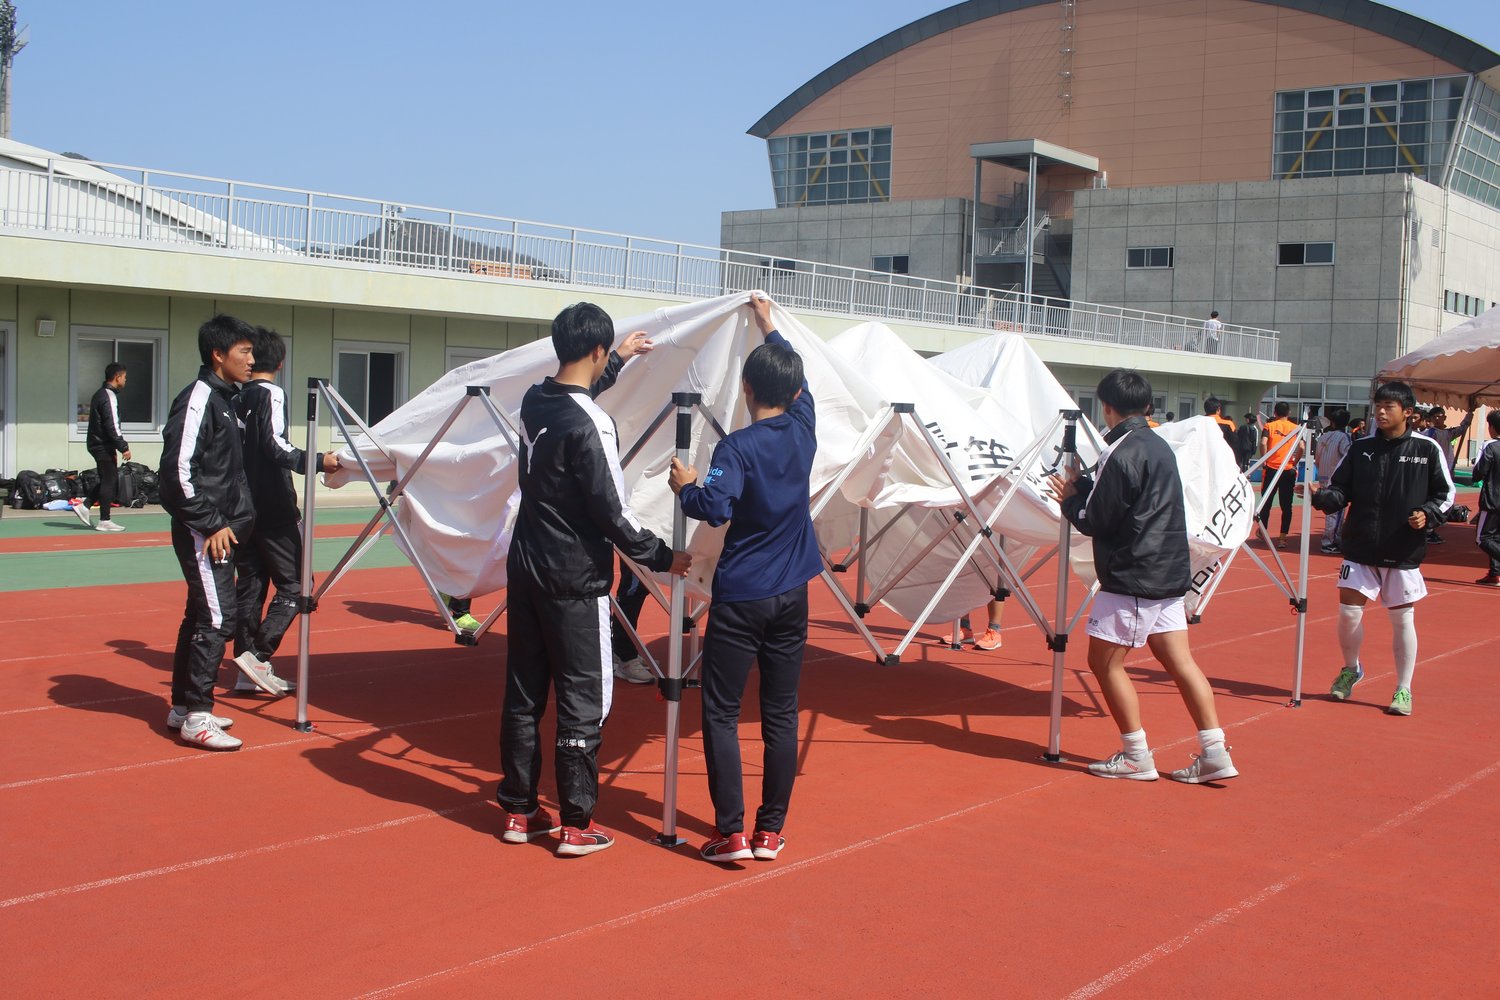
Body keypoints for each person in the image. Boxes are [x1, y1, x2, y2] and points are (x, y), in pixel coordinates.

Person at [498, 303, 689, 857]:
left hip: (527, 566)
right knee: (586, 698)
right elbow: (612, 509)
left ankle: (519, 809)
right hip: (574, 579)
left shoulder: (536, 399)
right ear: (597, 349)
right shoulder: (593, 423)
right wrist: (662, 556)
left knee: (525, 692)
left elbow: (572, 395)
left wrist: (619, 360)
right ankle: (576, 823)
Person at [670, 293, 820, 862]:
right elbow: (795, 379)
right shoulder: (804, 429)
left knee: (721, 712)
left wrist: (685, 485)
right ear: (797, 395)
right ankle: (769, 830)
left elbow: (715, 507)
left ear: (747, 392)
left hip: (741, 597)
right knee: (781, 713)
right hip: (792, 594)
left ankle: (730, 831)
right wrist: (770, 326)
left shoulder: (736, 447)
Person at [1050, 369, 1237, 784]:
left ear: (1107, 408)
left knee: (1103, 662)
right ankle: (1214, 750)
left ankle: (1136, 754)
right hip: (1168, 570)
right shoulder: (1158, 445)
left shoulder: (1122, 452)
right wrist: (1085, 490)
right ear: (1148, 407)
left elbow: (1096, 519)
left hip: (1134, 574)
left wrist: (1070, 499)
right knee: (1180, 662)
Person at [1309, 381, 1454, 716]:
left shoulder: (1426, 449)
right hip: (1360, 545)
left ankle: (1403, 689)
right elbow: (1341, 490)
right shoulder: (1361, 449)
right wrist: (1322, 496)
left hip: (1401, 548)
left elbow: (1445, 494)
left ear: (1409, 413)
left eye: (1389, 407)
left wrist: (1427, 515)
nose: (1381, 412)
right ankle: (1351, 669)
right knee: (1348, 613)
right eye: (1378, 406)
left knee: (1402, 620)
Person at [157, 315, 259, 750]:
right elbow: (176, 474)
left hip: (222, 530)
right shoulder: (199, 398)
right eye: (244, 352)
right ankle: (198, 715)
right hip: (206, 531)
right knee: (219, 618)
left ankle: (184, 706)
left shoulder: (225, 400)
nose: (252, 361)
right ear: (218, 355)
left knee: (199, 615)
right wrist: (211, 522)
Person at [230, 327, 340, 696]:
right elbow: (275, 445)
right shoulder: (270, 393)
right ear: (279, 362)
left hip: (241, 507)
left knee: (252, 586)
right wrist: (317, 461)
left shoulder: (233, 396)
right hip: (273, 505)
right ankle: (259, 655)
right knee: (297, 584)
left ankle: (247, 668)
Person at [83, 362, 132, 531]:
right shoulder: (108, 396)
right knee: (109, 480)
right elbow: (112, 424)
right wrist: (123, 446)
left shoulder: (99, 394)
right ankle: (104, 520)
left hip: (98, 443)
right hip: (102, 445)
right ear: (117, 377)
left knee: (107, 478)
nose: (126, 380)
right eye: (125, 377)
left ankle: (85, 506)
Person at [1420, 406, 1473, 544]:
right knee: (1434, 497)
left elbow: (1461, 429)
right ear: (1431, 419)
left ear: (1444, 417)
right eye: (1435, 417)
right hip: (1434, 470)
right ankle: (1429, 528)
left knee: (1444, 496)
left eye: (1440, 416)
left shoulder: (1448, 433)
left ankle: (1434, 523)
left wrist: (1469, 416)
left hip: (1446, 469)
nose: (1438, 419)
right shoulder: (1430, 433)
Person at [1258, 401, 1302, 547]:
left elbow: (1263, 443)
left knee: (1266, 502)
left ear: (1275, 413)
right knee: (1286, 505)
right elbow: (1302, 446)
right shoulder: (1296, 428)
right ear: (1288, 413)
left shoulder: (1269, 426)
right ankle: (1283, 537)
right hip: (1288, 469)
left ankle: (1263, 531)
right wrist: (1295, 462)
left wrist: (1264, 459)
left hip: (1271, 468)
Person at [1313, 408, 1353, 554]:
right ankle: (1329, 542)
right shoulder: (1344, 437)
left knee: (1330, 510)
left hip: (1323, 474)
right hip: (1336, 478)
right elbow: (1348, 457)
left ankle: (1333, 539)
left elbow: (1317, 458)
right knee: (1335, 510)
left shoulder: (1323, 437)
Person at [609, 557, 653, 683]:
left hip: (641, 543)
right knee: (632, 590)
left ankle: (620, 652)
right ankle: (626, 658)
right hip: (636, 544)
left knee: (637, 588)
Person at [1472, 410, 1500, 587]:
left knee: (1482, 538)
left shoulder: (1490, 446)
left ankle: (1496, 572)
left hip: (1492, 500)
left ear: (1491, 427)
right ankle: (1495, 573)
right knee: (1496, 538)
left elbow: (1478, 473)